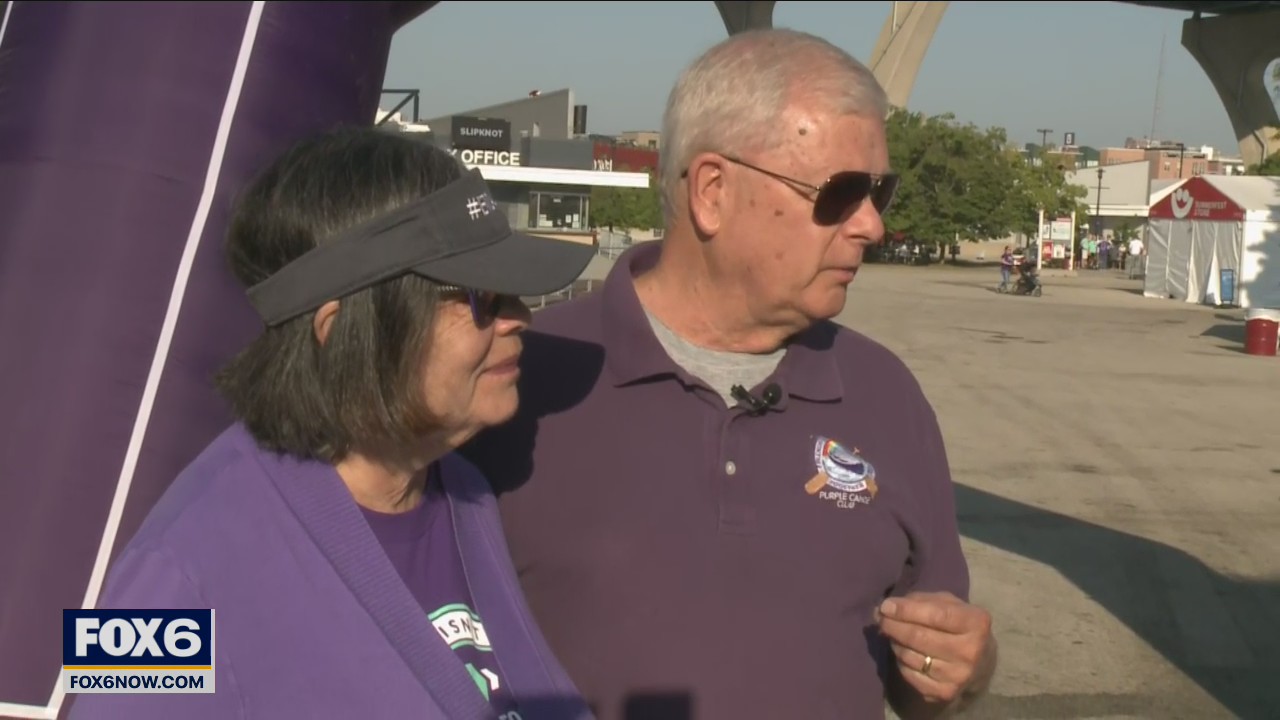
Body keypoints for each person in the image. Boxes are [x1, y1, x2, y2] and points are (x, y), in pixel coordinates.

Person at [461, 28, 997, 720]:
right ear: (712, 190)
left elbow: (927, 686)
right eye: (840, 193)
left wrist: (962, 671)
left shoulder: (885, 393)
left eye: (879, 192)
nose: (870, 226)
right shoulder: (522, 377)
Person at [68, 127, 597, 720]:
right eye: (481, 297)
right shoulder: (169, 579)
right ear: (343, 333)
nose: (519, 318)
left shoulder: (462, 489)